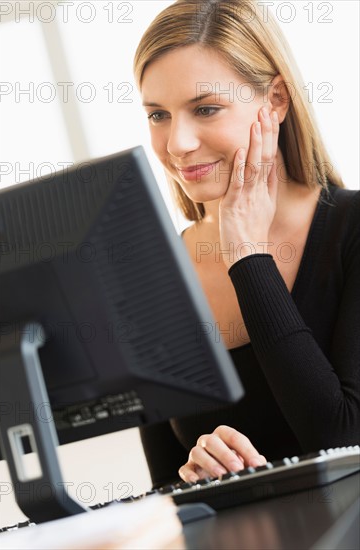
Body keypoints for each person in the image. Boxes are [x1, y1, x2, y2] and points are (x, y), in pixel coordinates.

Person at [133, 0, 360, 486]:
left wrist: (247, 256)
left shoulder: (353, 231)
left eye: (206, 108)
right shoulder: (157, 280)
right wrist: (195, 478)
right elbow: (164, 489)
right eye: (158, 115)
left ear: (275, 100)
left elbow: (345, 443)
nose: (177, 143)